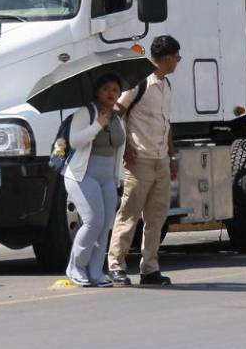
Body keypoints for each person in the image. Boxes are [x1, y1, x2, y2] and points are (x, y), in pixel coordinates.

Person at [107, 35, 180, 286]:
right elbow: (118, 112)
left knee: (156, 217)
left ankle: (149, 269)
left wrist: (171, 155)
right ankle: (116, 266)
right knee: (129, 214)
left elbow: (165, 123)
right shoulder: (139, 82)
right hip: (139, 159)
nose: (178, 62)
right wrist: (126, 146)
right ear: (168, 58)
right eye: (177, 58)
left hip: (160, 159)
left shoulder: (166, 85)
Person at [62, 71, 127, 287]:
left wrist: (119, 178)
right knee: (93, 221)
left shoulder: (118, 117)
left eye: (115, 90)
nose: (111, 93)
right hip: (82, 175)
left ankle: (96, 271)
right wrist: (98, 124)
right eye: (106, 89)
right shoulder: (86, 113)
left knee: (106, 224)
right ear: (97, 92)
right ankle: (76, 267)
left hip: (107, 177)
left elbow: (119, 147)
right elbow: (75, 141)